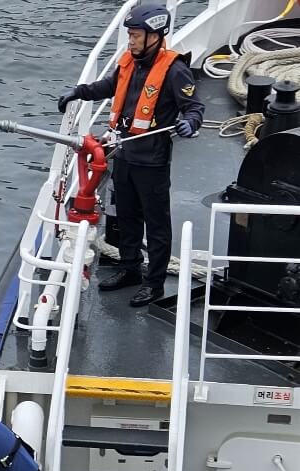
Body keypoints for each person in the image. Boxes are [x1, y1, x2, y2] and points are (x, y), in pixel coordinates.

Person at [57, 3, 204, 307]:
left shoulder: (175, 70)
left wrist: (189, 123)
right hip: (123, 153)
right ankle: (130, 269)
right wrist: (79, 92)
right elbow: (108, 87)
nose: (131, 41)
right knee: (126, 215)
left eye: (136, 35)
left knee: (157, 222)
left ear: (154, 36)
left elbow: (194, 107)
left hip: (152, 160)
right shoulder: (128, 62)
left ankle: (154, 284)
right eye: (130, 35)